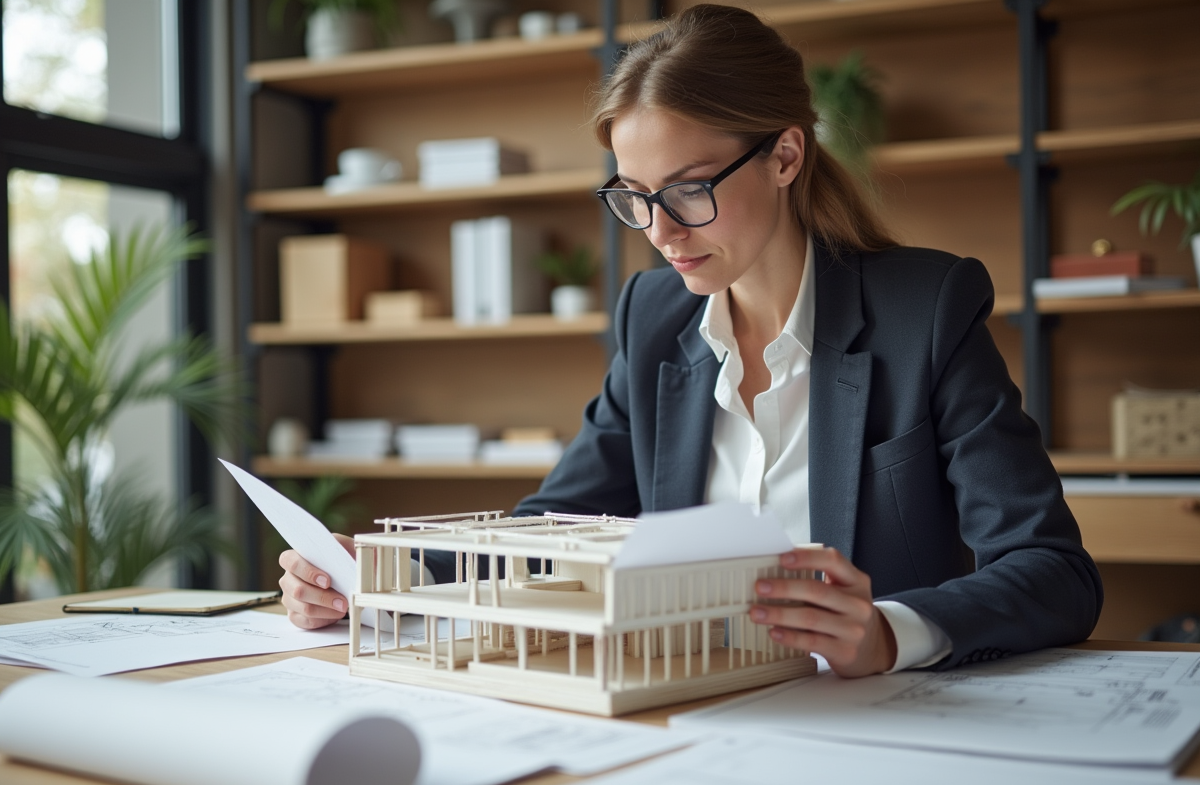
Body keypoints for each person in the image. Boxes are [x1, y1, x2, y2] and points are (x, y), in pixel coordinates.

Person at [278, 3, 1102, 677]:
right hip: (687, 710)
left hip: (871, 725)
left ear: (785, 155)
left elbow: (1054, 572)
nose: (661, 231)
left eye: (690, 190)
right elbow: (554, 523)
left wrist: (889, 630)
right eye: (634, 197)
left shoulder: (926, 307)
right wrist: (388, 579)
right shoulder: (655, 316)